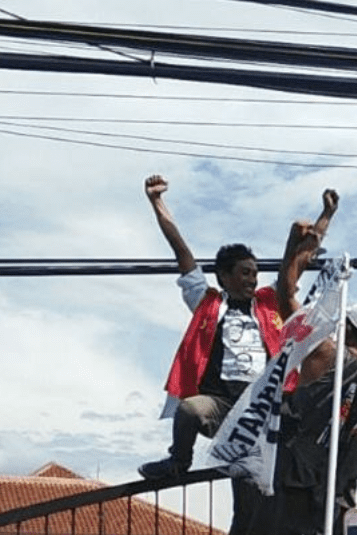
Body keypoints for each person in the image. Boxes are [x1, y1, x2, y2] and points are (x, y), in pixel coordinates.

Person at [138, 175, 339, 480]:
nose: (252, 280)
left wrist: (326, 216)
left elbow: (300, 258)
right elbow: (181, 251)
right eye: (244, 273)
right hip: (221, 405)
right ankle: (178, 461)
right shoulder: (207, 303)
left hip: (262, 405)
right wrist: (156, 201)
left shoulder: (270, 302)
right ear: (223, 277)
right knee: (190, 410)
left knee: (295, 424)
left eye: (255, 274)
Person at [241, 302, 357, 535]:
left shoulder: (324, 353)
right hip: (338, 487)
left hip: (294, 476)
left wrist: (293, 263)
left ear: (347, 327)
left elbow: (290, 309)